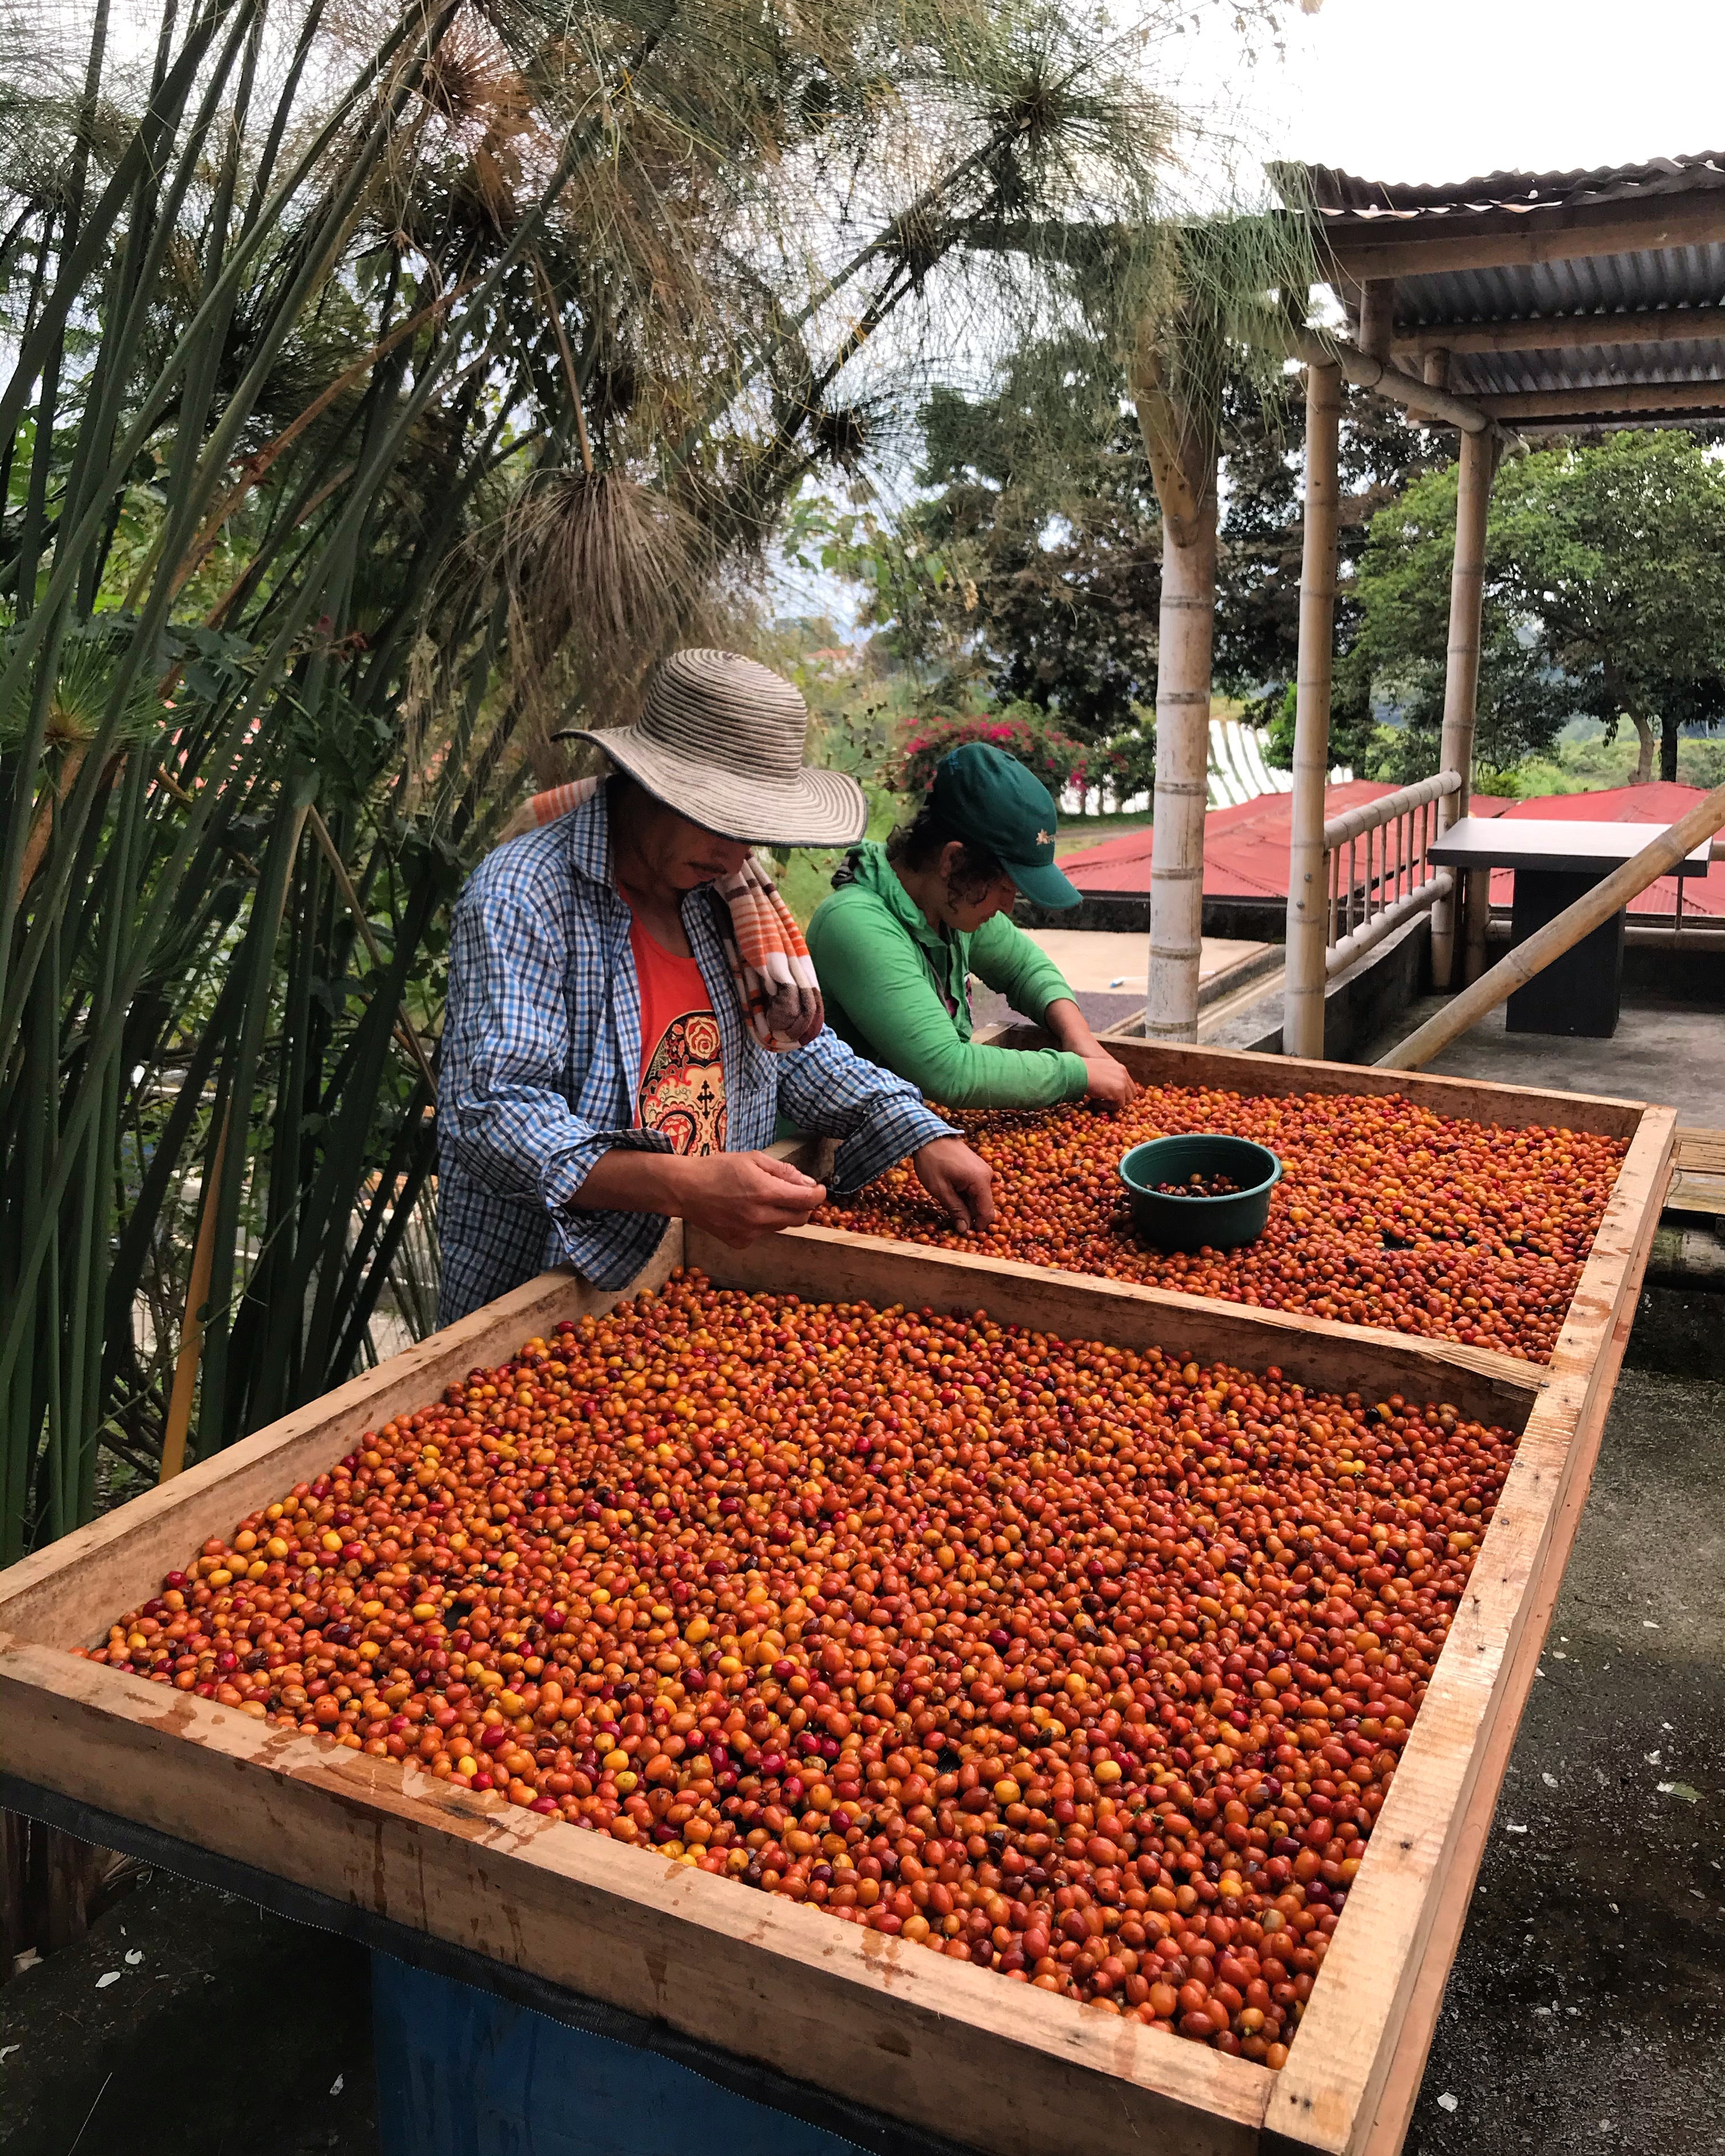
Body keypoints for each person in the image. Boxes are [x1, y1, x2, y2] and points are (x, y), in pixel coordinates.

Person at [436, 649, 996, 1325]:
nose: (737, 854)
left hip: (692, 1283)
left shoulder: (724, 898)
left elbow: (791, 1051)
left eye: (751, 830)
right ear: (646, 784)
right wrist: (680, 1185)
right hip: (547, 1298)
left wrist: (915, 1130)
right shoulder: (524, 895)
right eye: (719, 821)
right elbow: (493, 1114)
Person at [805, 740, 1140, 1111]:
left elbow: (1024, 969)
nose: (1008, 907)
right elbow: (949, 1071)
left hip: (916, 1127)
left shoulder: (946, 904)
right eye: (1003, 888)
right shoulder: (855, 924)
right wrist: (1079, 1075)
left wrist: (1082, 1042)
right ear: (953, 860)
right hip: (829, 1150)